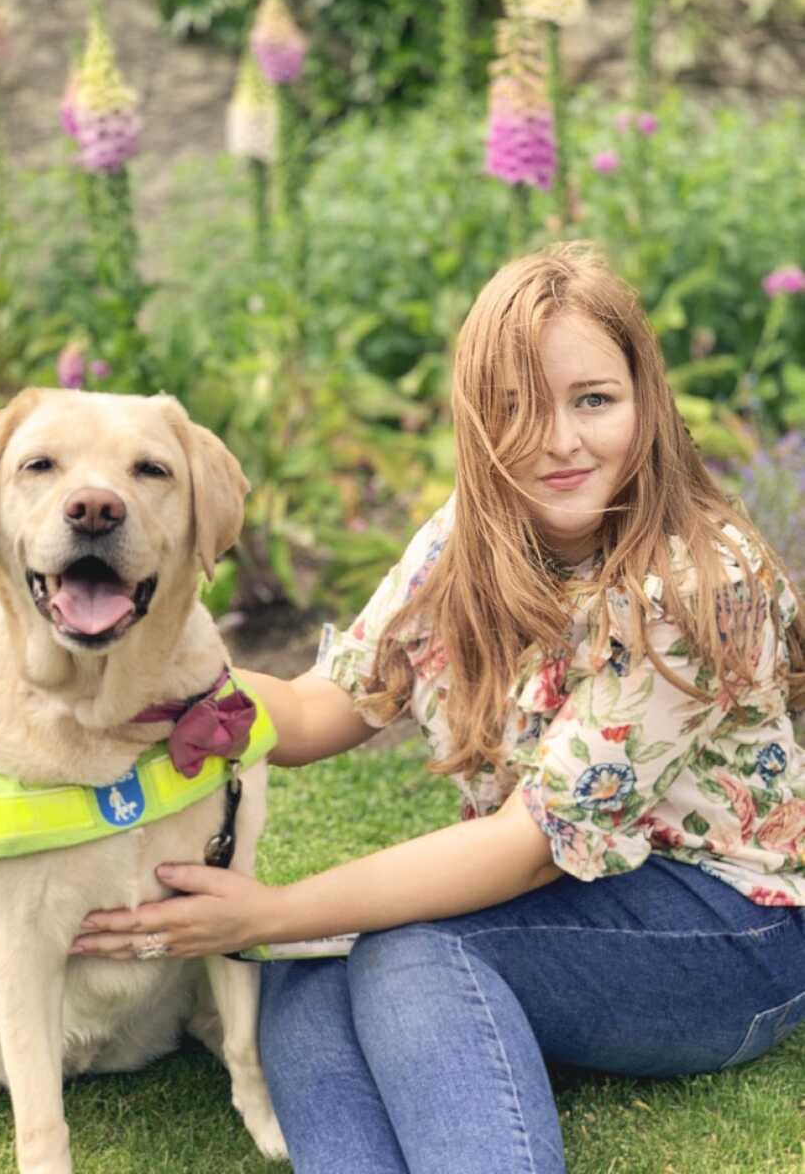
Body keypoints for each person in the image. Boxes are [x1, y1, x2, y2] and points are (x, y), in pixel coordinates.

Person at [72, 243, 805, 1174]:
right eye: (518, 407)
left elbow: (525, 849)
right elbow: (318, 708)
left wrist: (269, 909)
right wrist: (153, 681)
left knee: (412, 959)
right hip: (574, 898)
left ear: (645, 400)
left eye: (593, 400)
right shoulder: (471, 532)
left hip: (728, 929)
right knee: (301, 987)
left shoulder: (699, 583)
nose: (562, 441)